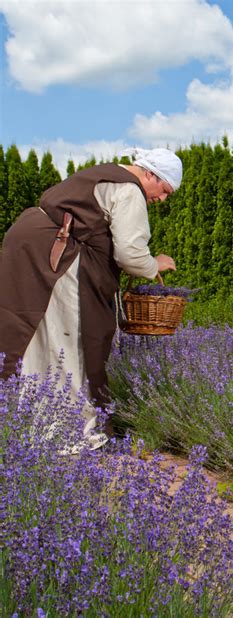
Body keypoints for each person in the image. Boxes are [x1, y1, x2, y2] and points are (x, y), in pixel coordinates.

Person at [0, 147, 182, 450]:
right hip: (58, 261)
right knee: (70, 345)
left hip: (31, 249)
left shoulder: (105, 173)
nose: (162, 199)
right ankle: (65, 434)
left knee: (33, 338)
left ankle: (21, 424)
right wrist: (156, 264)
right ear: (151, 174)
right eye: (164, 190)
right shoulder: (129, 190)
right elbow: (131, 254)